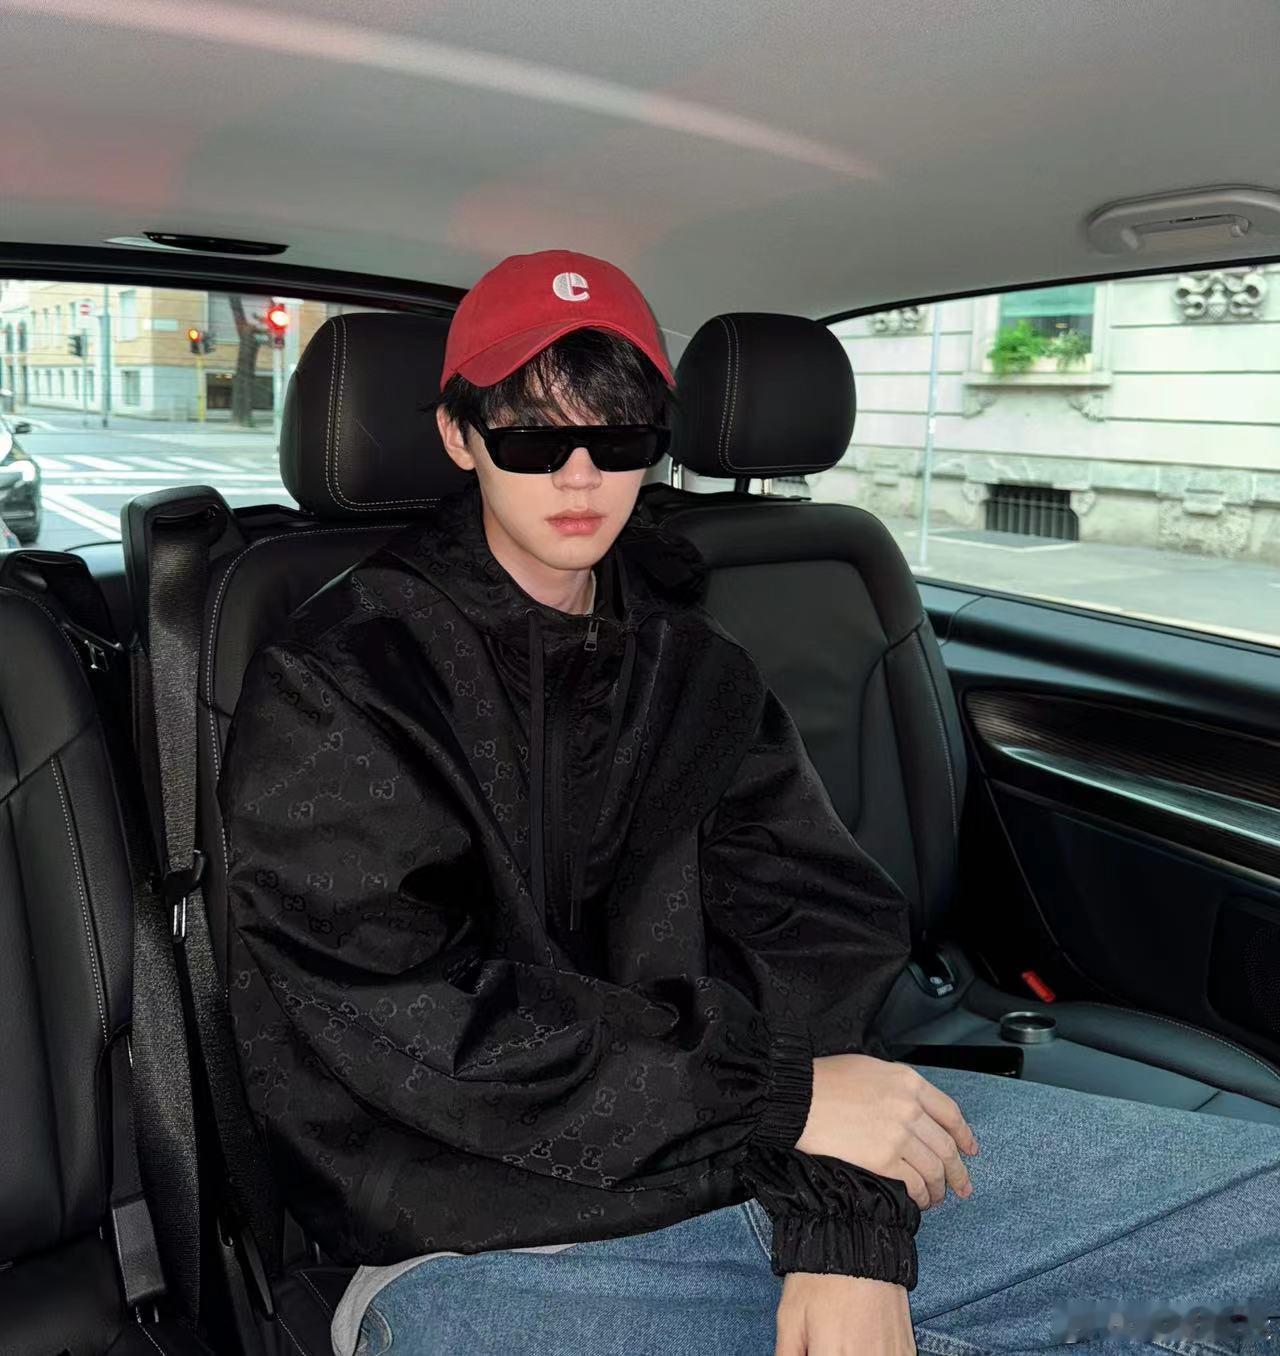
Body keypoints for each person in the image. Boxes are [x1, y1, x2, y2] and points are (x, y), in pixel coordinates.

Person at [217, 250, 1280, 1356]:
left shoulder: (691, 665)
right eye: (532, 438)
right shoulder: (343, 679)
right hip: (485, 1226)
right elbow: (407, 1021)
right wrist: (774, 1100)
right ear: (459, 436)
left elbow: (815, 931)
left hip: (757, 1150)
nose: (578, 477)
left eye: (618, 437)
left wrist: (842, 1222)